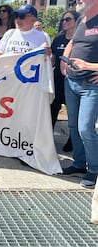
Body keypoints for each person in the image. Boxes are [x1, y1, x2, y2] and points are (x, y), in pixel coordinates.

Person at [59, 0, 98, 189]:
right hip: (72, 82)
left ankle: (94, 169)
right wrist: (64, 60)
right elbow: (72, 43)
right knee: (73, 126)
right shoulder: (82, 19)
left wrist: (93, 67)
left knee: (85, 128)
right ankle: (79, 163)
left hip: (91, 85)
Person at [50, 10, 80, 152]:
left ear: (76, 21)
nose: (64, 22)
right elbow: (53, 60)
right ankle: (48, 137)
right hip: (57, 80)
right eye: (63, 20)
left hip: (73, 81)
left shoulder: (80, 40)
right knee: (53, 108)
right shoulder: (58, 39)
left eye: (68, 19)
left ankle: (72, 140)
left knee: (72, 113)